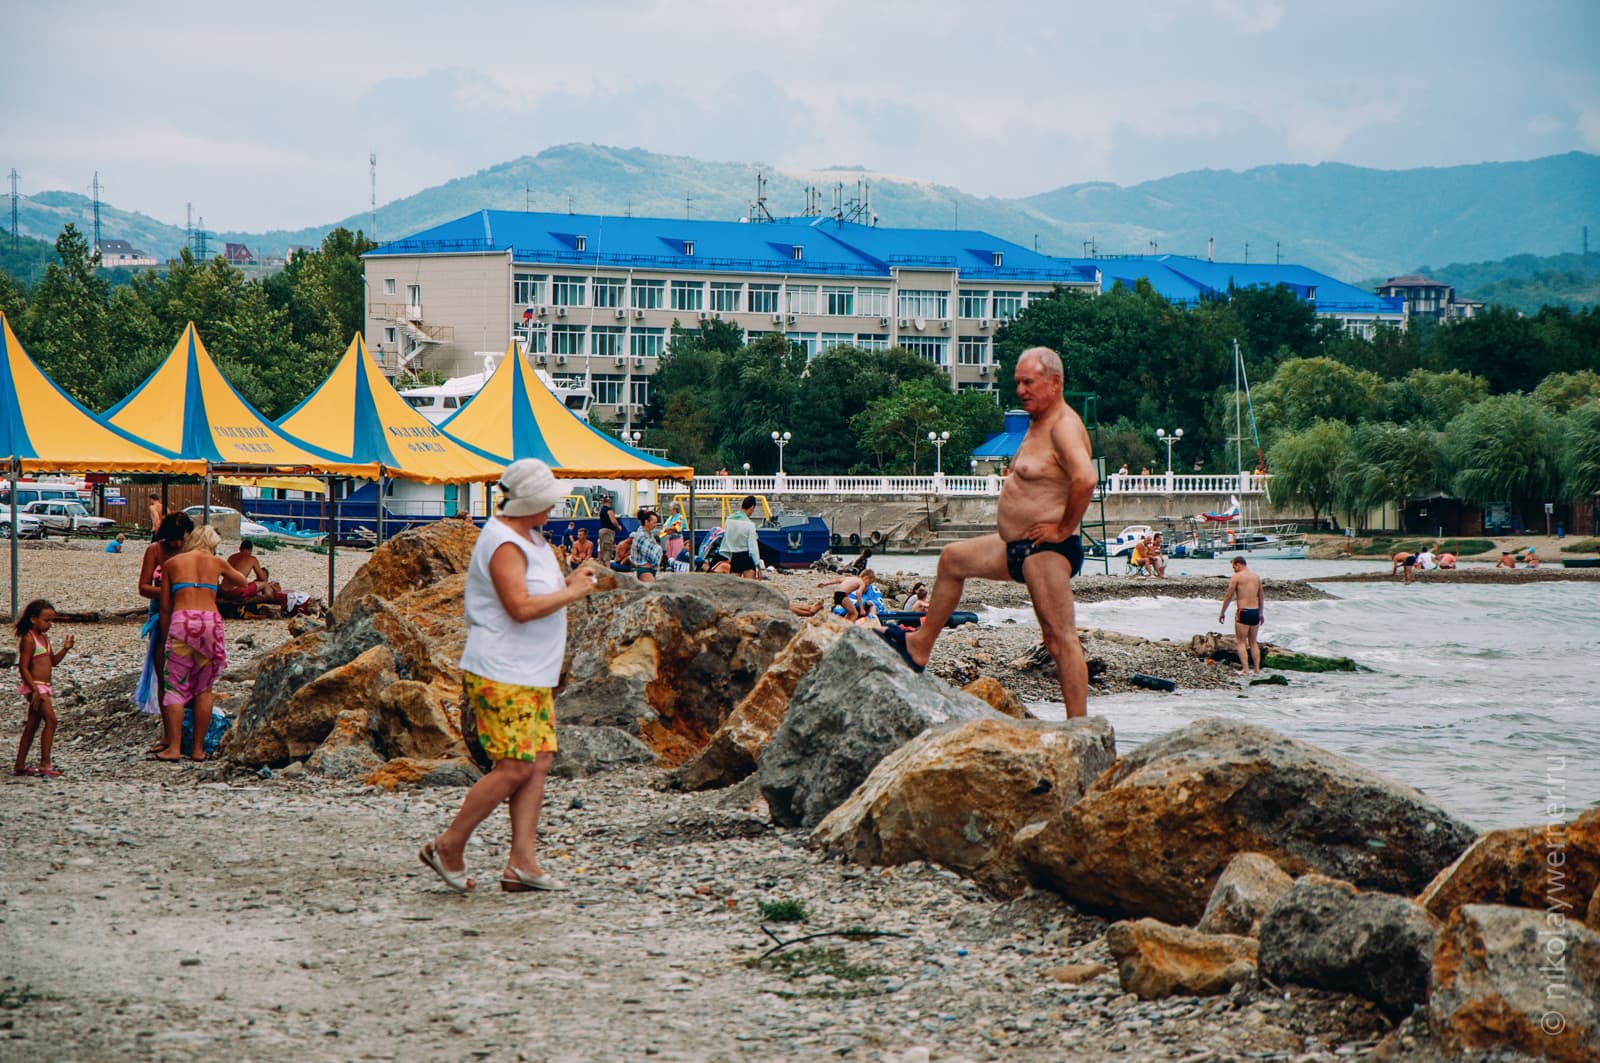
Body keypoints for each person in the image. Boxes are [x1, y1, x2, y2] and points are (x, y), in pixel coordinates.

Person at [885, 347, 1098, 717]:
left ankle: (1079, 725)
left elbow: (1086, 478)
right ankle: (919, 646)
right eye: (1017, 382)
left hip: (1047, 551)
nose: (1020, 390)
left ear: (1054, 382)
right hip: (1016, 546)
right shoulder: (1038, 423)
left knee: (1059, 638)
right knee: (952, 559)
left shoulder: (1064, 425)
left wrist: (1062, 529)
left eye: (1028, 382)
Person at [420, 459, 599, 894]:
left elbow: (537, 594)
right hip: (503, 671)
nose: (552, 509)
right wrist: (571, 592)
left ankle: (521, 862)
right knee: (515, 764)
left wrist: (572, 580)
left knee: (537, 761)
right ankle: (449, 844)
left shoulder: (530, 537)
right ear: (531, 502)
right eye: (547, 502)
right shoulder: (502, 541)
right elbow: (517, 606)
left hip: (532, 672)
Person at [154, 525, 249, 762]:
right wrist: (220, 577)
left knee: (175, 687)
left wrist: (167, 635)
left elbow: (165, 606)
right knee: (204, 689)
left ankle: (174, 748)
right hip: (209, 623)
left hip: (182, 621)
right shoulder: (215, 562)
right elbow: (242, 582)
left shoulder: (173, 564)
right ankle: (198, 749)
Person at [136, 512, 195, 722]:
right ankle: (168, 727)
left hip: (189, 612)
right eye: (174, 539)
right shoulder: (155, 551)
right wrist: (169, 592)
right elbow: (143, 587)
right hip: (161, 612)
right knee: (164, 673)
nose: (177, 543)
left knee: (190, 670)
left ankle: (185, 722)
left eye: (182, 538)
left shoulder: (193, 551)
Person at [13, 599, 72, 777]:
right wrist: (34, 690)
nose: (50, 624)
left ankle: (20, 764)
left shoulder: (43, 639)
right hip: (36, 687)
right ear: (33, 619)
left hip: (44, 687)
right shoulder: (29, 639)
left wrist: (65, 649)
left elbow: (52, 662)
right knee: (51, 721)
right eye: (46, 620)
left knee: (32, 725)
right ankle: (45, 763)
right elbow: (23, 667)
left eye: (51, 621)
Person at [1219, 556, 1265, 676]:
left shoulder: (1237, 577)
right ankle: (1256, 670)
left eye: (1234, 566)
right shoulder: (1256, 577)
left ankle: (1245, 670)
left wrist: (1222, 612)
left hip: (1243, 611)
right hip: (1255, 611)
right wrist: (1261, 613)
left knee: (1240, 642)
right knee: (1253, 642)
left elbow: (1228, 595)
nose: (1233, 569)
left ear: (1239, 564)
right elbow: (1261, 596)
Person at [721, 495, 765, 579]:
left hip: (735, 557)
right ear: (752, 507)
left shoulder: (729, 520)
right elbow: (753, 548)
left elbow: (726, 539)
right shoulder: (750, 524)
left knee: (734, 587)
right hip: (746, 557)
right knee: (750, 587)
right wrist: (759, 568)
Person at [629, 509, 664, 582]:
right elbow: (652, 556)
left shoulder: (650, 534)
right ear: (646, 522)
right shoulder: (641, 536)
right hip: (644, 570)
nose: (655, 525)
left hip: (649, 568)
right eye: (654, 523)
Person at [596, 494, 624, 566]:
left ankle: (602, 571)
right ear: (609, 501)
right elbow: (613, 520)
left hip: (602, 531)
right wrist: (618, 527)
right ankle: (608, 570)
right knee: (607, 552)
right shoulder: (609, 510)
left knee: (602, 552)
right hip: (608, 531)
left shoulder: (602, 510)